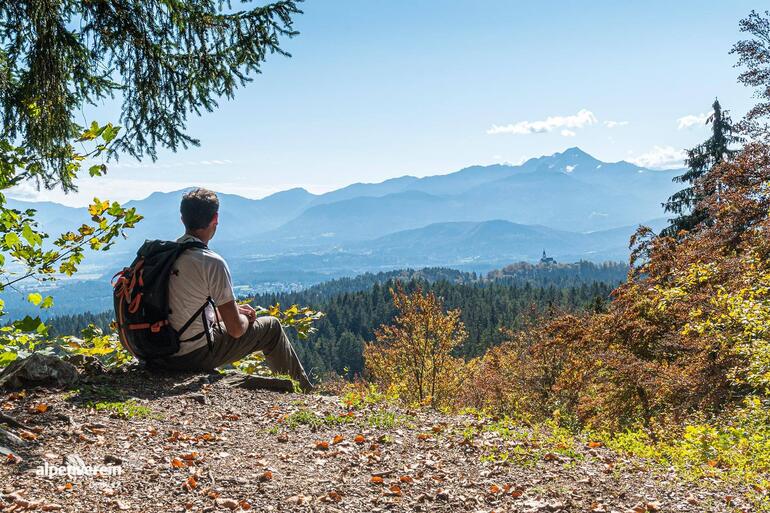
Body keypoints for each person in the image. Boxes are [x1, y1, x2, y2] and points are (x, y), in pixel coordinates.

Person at [154, 187, 314, 391]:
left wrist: (230, 312)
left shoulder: (164, 257)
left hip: (158, 352)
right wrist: (244, 317)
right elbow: (236, 330)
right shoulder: (210, 262)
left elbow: (184, 312)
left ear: (182, 218)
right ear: (215, 219)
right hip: (190, 355)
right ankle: (303, 392)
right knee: (271, 327)